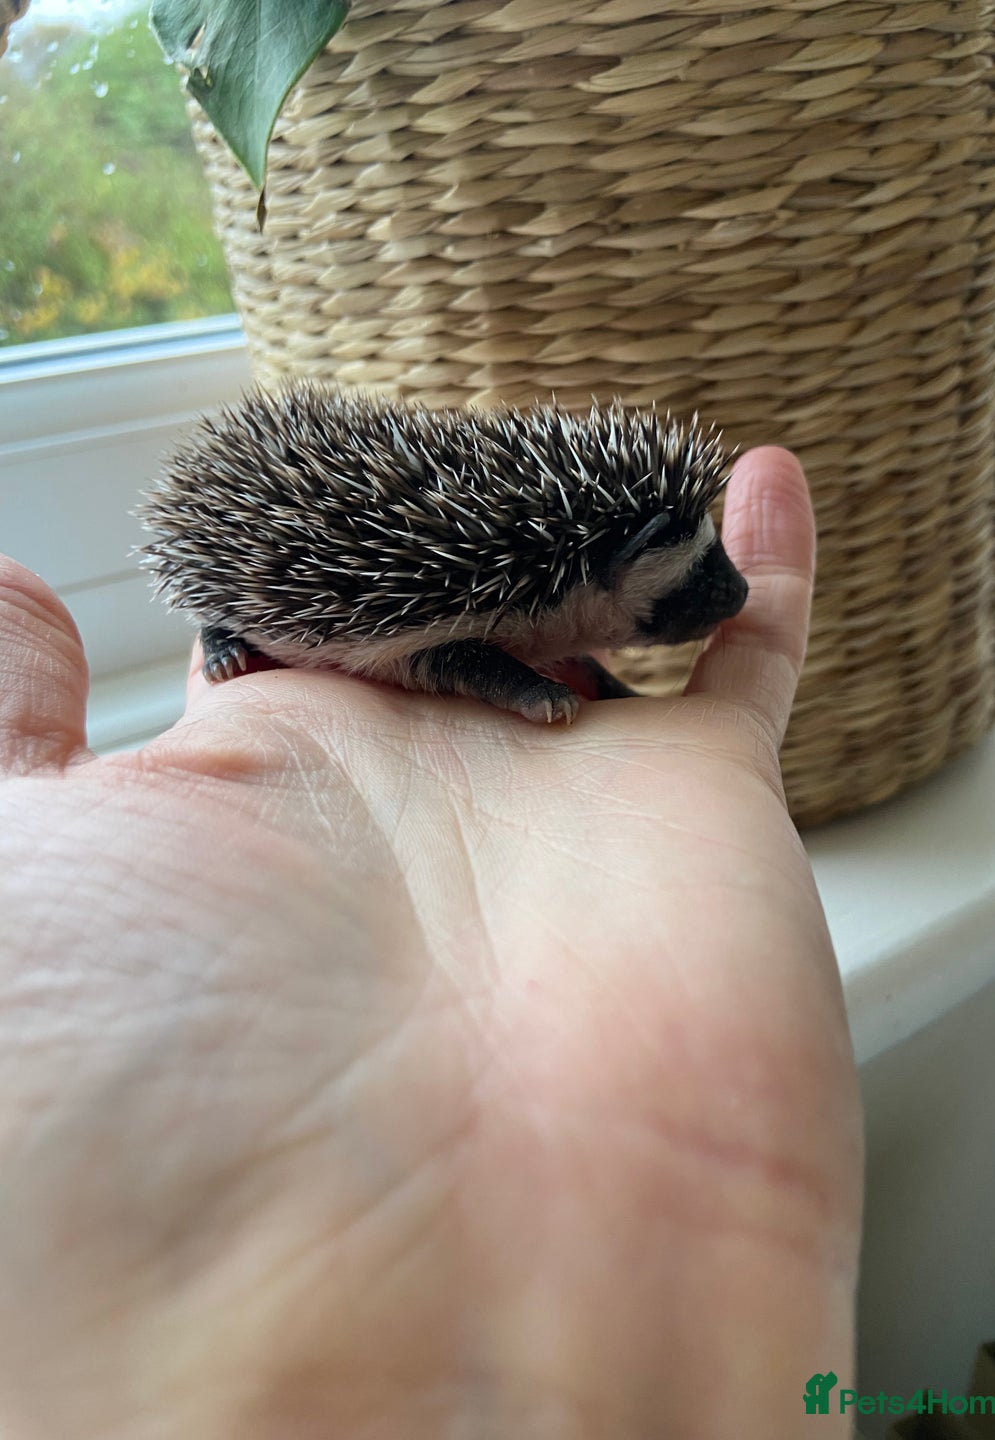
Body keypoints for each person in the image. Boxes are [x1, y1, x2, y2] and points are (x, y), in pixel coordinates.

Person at [0, 447, 862, 1438]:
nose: (726, 600)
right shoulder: (465, 600)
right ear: (594, 579)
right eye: (671, 599)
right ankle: (229, 624)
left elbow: (560, 648)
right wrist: (515, 686)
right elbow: (429, 649)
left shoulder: (553, 588)